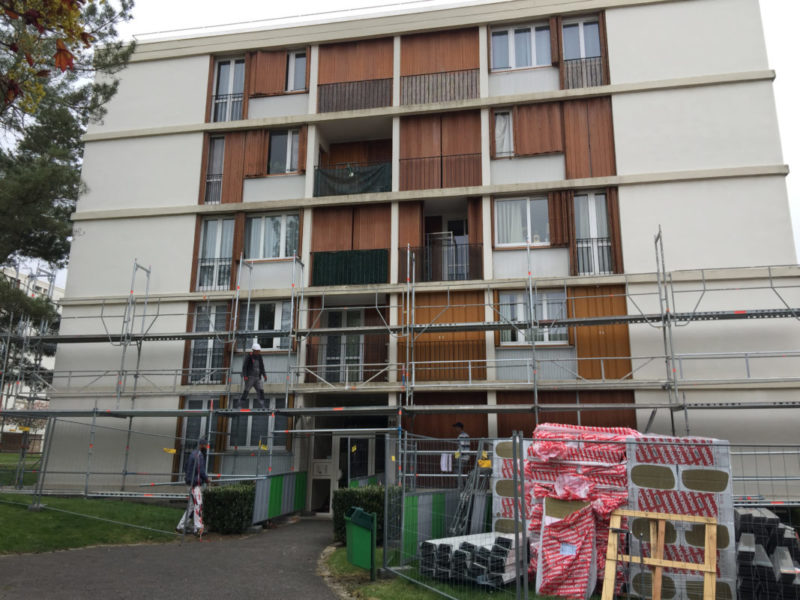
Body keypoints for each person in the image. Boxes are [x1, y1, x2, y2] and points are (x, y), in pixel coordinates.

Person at [177, 437, 210, 536]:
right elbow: (201, 470)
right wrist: (206, 479)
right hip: (194, 484)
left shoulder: (192, 454)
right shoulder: (199, 455)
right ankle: (198, 529)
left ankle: (181, 526)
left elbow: (185, 467)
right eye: (205, 446)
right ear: (201, 445)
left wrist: (189, 476)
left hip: (190, 482)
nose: (206, 448)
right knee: (198, 505)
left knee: (191, 506)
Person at [240, 341, 268, 409]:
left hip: (258, 377)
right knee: (246, 391)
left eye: (259, 351)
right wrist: (245, 375)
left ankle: (262, 405)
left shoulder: (259, 357)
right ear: (254, 350)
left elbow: (262, 366)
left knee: (261, 390)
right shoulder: (249, 356)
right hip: (250, 377)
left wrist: (264, 375)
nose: (258, 352)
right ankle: (240, 404)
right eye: (257, 351)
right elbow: (245, 367)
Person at [453, 421, 470, 489]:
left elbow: (461, 448)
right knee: (460, 471)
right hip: (465, 457)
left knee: (457, 472)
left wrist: (456, 456)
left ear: (459, 428)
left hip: (462, 457)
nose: (455, 429)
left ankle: (461, 487)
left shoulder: (462, 436)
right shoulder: (466, 435)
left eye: (456, 427)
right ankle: (465, 486)